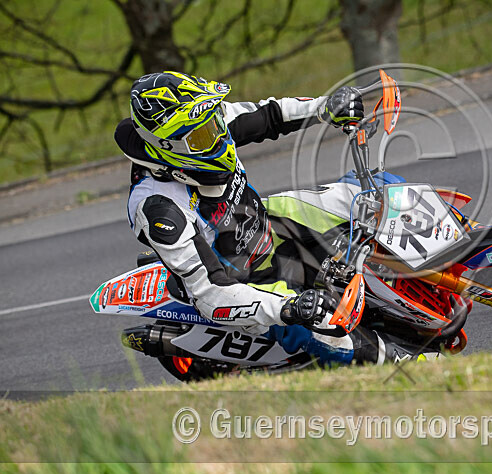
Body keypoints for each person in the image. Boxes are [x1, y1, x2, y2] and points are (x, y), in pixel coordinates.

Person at [114, 71, 416, 366]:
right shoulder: (158, 207)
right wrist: (290, 308)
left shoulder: (204, 124)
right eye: (205, 135)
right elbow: (210, 292)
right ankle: (414, 365)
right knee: (335, 336)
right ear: (169, 145)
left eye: (216, 122)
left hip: (269, 223)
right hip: (244, 282)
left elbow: (270, 115)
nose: (220, 135)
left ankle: (457, 243)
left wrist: (326, 106)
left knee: (374, 196)